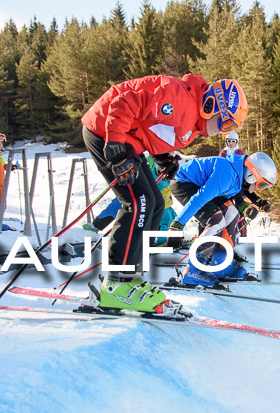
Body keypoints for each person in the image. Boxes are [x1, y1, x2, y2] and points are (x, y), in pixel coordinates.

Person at [81, 74, 248, 316]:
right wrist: (116, 150)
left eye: (231, 128)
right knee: (138, 203)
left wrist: (162, 158)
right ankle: (116, 283)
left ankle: (132, 278)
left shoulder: (195, 123)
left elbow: (151, 127)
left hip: (128, 139)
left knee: (156, 204)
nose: (224, 131)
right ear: (211, 105)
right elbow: (124, 103)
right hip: (105, 132)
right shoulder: (180, 100)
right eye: (227, 123)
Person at [169, 151, 278, 287]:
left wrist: (247, 207)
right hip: (185, 184)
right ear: (251, 175)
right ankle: (192, 270)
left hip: (202, 184)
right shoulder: (227, 175)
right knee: (217, 220)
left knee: (232, 213)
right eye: (262, 185)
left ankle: (220, 264)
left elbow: (235, 196)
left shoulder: (237, 174)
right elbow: (200, 198)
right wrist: (178, 223)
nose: (261, 189)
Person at [82, 154, 177, 243]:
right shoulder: (152, 160)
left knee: (169, 218)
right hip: (141, 192)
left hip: (162, 200)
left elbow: (161, 185)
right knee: (121, 205)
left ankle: (167, 241)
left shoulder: (168, 161)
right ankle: (96, 225)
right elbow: (153, 180)